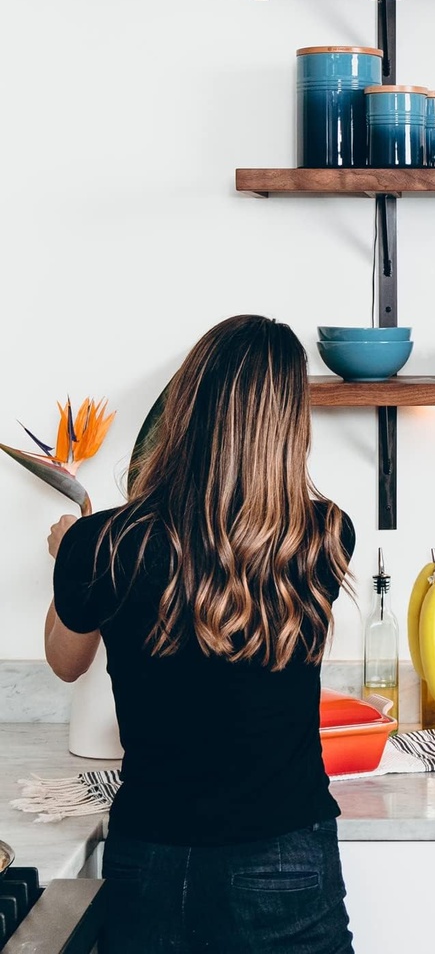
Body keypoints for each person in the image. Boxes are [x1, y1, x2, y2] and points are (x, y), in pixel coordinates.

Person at [45, 314, 358, 953]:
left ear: (184, 407)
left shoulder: (104, 542)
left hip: (151, 854)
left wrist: (67, 561)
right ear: (290, 425)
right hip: (284, 853)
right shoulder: (324, 535)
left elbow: (65, 661)